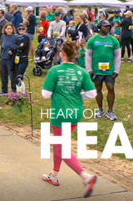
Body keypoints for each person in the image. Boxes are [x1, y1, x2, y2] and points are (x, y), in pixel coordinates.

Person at [40, 42, 98, 198]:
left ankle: (86, 177)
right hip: (76, 113)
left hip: (59, 113)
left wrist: (56, 92)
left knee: (62, 147)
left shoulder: (55, 71)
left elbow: (45, 94)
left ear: (63, 54)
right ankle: (54, 174)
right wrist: (79, 95)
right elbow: (92, 94)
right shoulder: (82, 72)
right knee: (60, 144)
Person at [86, 20, 121, 121]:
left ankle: (110, 111)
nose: (107, 28)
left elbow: (117, 56)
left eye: (109, 26)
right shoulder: (93, 40)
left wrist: (117, 70)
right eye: (105, 26)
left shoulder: (114, 40)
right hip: (97, 70)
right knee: (98, 89)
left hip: (109, 70)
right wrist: (89, 69)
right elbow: (88, 56)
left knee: (110, 88)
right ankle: (100, 109)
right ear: (100, 27)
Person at [0, 23, 18, 96]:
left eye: (10, 28)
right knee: (3, 75)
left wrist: (13, 50)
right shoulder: (3, 37)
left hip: (11, 59)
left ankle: (14, 90)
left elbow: (18, 46)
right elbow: (2, 47)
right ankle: (4, 90)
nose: (9, 30)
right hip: (3, 58)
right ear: (5, 29)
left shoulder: (15, 37)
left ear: (13, 29)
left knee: (12, 75)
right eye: (7, 28)